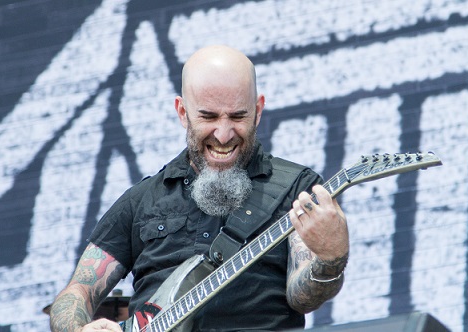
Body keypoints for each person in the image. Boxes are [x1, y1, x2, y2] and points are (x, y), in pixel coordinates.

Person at [50, 45, 349, 332]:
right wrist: (79, 327)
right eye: (208, 117)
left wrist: (330, 259)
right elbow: (77, 291)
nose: (223, 134)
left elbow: (304, 296)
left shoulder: (297, 188)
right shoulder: (141, 200)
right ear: (182, 112)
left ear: (258, 110)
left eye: (237, 116)